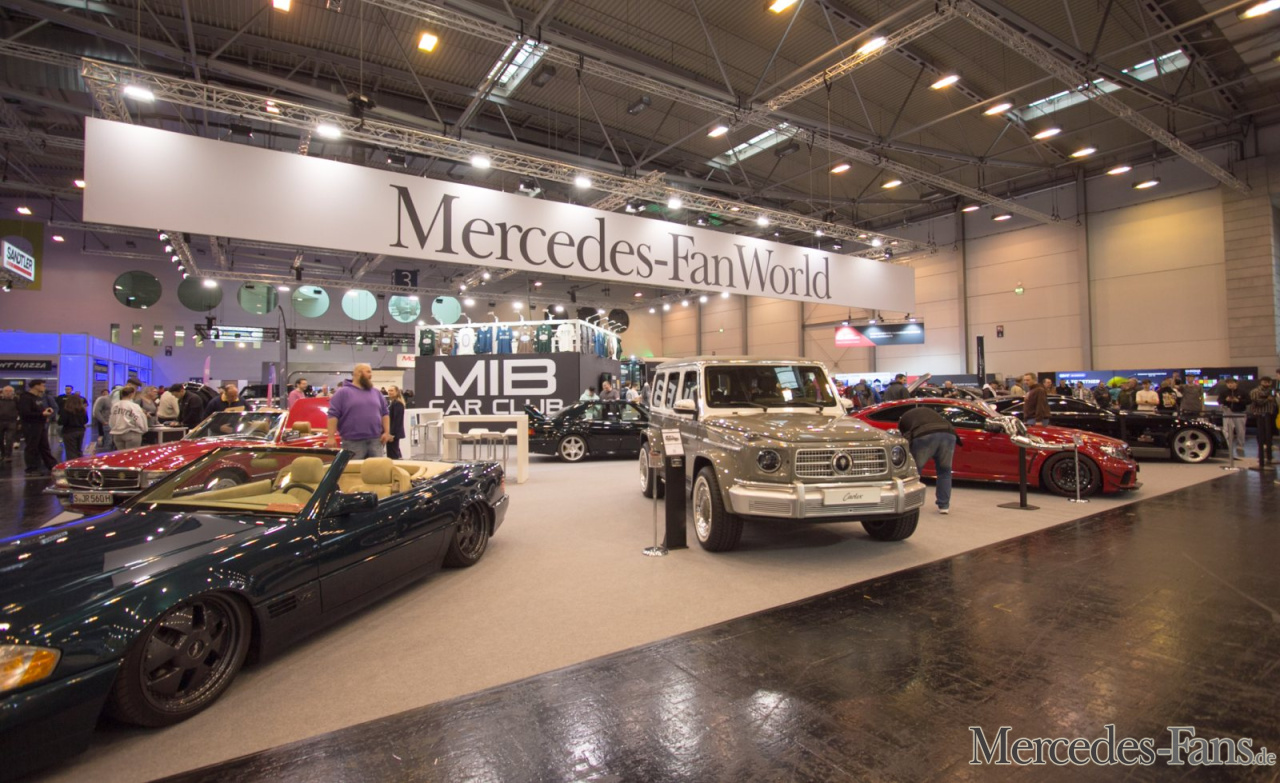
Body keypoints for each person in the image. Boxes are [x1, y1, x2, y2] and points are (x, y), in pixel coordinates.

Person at [897, 405, 957, 515]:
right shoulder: (929, 411)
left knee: (915, 472)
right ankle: (944, 506)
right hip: (949, 433)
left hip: (925, 436)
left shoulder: (904, 419)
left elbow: (906, 437)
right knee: (944, 472)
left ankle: (912, 503)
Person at [325, 363, 391, 459]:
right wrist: (331, 437)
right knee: (354, 468)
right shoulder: (342, 392)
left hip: (376, 441)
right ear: (358, 373)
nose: (371, 375)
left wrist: (387, 432)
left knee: (377, 468)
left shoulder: (376, 392)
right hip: (352, 442)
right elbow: (333, 415)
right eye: (368, 372)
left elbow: (385, 413)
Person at [17, 380, 57, 475]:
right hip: (31, 426)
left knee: (44, 446)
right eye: (42, 385)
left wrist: (45, 413)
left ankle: (52, 465)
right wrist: (41, 414)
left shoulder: (38, 398)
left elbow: (39, 410)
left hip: (40, 425)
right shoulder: (26, 398)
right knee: (32, 447)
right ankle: (31, 468)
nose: (44, 387)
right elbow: (25, 413)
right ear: (36, 386)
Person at [108, 385, 149, 451]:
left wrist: (114, 428)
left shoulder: (115, 406)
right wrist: (144, 429)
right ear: (131, 394)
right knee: (131, 455)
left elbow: (111, 420)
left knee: (121, 454)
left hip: (117, 434)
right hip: (131, 433)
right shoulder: (134, 406)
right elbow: (139, 419)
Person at [1247, 376, 1276, 468]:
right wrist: (1267, 399)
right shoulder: (1256, 391)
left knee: (1269, 434)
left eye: (1268, 382)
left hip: (1269, 414)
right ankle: (1261, 458)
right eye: (1265, 382)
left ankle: (1269, 457)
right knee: (1261, 433)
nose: (1267, 384)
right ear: (1261, 382)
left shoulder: (1271, 390)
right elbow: (1257, 402)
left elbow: (1274, 401)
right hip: (1260, 415)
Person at [1218, 378, 1248, 459]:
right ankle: (1227, 445)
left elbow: (1248, 401)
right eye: (1228, 383)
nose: (1230, 385)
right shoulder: (1224, 392)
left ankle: (1240, 445)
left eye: (1231, 383)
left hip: (1239, 412)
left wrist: (1238, 400)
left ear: (1236, 383)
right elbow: (1219, 401)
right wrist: (1225, 400)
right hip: (1227, 413)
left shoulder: (1242, 392)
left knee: (1240, 430)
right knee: (1227, 430)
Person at [58, 393, 88, 461]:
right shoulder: (82, 410)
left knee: (71, 451)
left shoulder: (66, 410)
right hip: (80, 431)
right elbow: (86, 420)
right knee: (79, 450)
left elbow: (61, 421)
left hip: (69, 431)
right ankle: (80, 463)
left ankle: (72, 465)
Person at [386, 386, 406, 460]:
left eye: (392, 390)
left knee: (393, 454)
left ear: (397, 392)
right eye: (389, 390)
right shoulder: (393, 403)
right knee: (394, 452)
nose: (389, 392)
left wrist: (392, 434)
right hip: (392, 432)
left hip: (393, 434)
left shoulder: (398, 403)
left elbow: (397, 420)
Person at [0, 386, 19, 464]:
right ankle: (2, 454)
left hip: (12, 422)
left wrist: (19, 422)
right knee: (0, 439)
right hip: (0, 421)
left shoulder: (16, 400)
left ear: (13, 392)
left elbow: (20, 411)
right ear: (2, 392)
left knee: (9, 439)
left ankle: (8, 455)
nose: (8, 393)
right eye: (6, 391)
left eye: (10, 391)